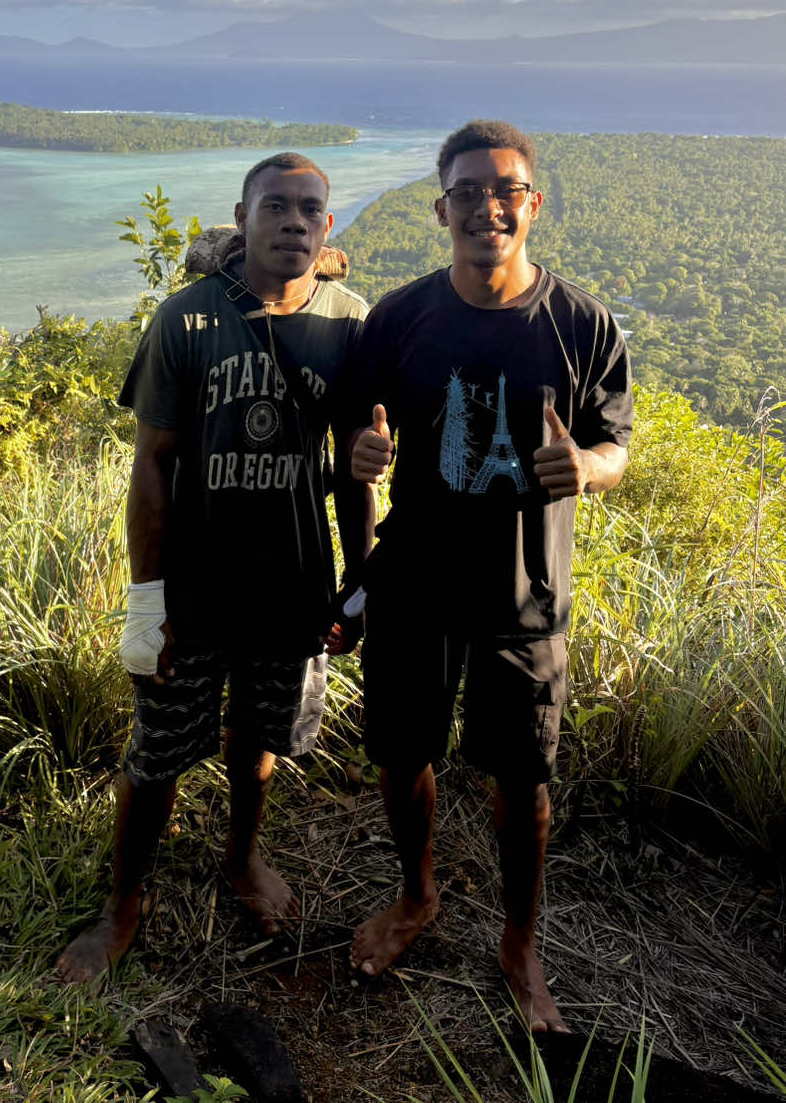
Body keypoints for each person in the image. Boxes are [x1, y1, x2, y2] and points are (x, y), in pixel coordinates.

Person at [58, 152, 373, 983]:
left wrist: (361, 579)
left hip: (294, 585)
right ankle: (123, 904)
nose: (293, 222)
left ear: (328, 228)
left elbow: (353, 463)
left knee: (259, 738)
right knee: (156, 754)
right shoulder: (186, 320)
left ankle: (241, 859)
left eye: (310, 209)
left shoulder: (350, 322)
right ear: (242, 216)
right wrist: (145, 601)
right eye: (276, 207)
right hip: (193, 591)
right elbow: (151, 465)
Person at [349, 120, 632, 1031]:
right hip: (414, 583)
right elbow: (358, 441)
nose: (487, 207)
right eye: (467, 191)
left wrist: (587, 468)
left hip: (524, 596)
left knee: (523, 773)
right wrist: (367, 458)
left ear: (532, 205)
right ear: (440, 209)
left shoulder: (582, 323)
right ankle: (418, 893)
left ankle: (518, 938)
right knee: (402, 753)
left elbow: (617, 445)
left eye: (505, 189)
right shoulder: (397, 320)